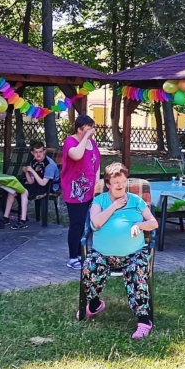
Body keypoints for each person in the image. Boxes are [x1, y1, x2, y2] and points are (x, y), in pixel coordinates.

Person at [82, 163, 160, 339]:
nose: (121, 185)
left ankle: (144, 321)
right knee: (89, 267)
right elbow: (96, 223)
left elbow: (153, 223)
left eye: (123, 181)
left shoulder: (136, 201)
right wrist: (114, 206)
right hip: (102, 253)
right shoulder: (99, 201)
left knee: (137, 272)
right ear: (108, 183)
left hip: (133, 253)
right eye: (116, 182)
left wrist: (139, 225)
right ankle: (94, 305)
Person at [62, 115, 102, 270]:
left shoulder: (92, 143)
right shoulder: (70, 141)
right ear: (79, 129)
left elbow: (96, 163)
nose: (92, 130)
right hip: (75, 191)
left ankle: (81, 253)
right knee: (77, 224)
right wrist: (85, 138)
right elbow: (77, 155)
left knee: (87, 224)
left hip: (90, 190)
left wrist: (97, 184)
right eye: (88, 128)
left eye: (92, 127)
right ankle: (73, 257)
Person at [1, 140, 59, 229]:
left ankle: (23, 220)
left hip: (48, 186)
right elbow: (31, 181)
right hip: (36, 184)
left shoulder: (49, 164)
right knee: (12, 190)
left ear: (44, 151)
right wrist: (27, 172)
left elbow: (43, 183)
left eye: (40, 152)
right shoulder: (33, 162)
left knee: (24, 192)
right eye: (36, 152)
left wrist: (32, 170)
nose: (38, 154)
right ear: (32, 153)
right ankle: (6, 218)